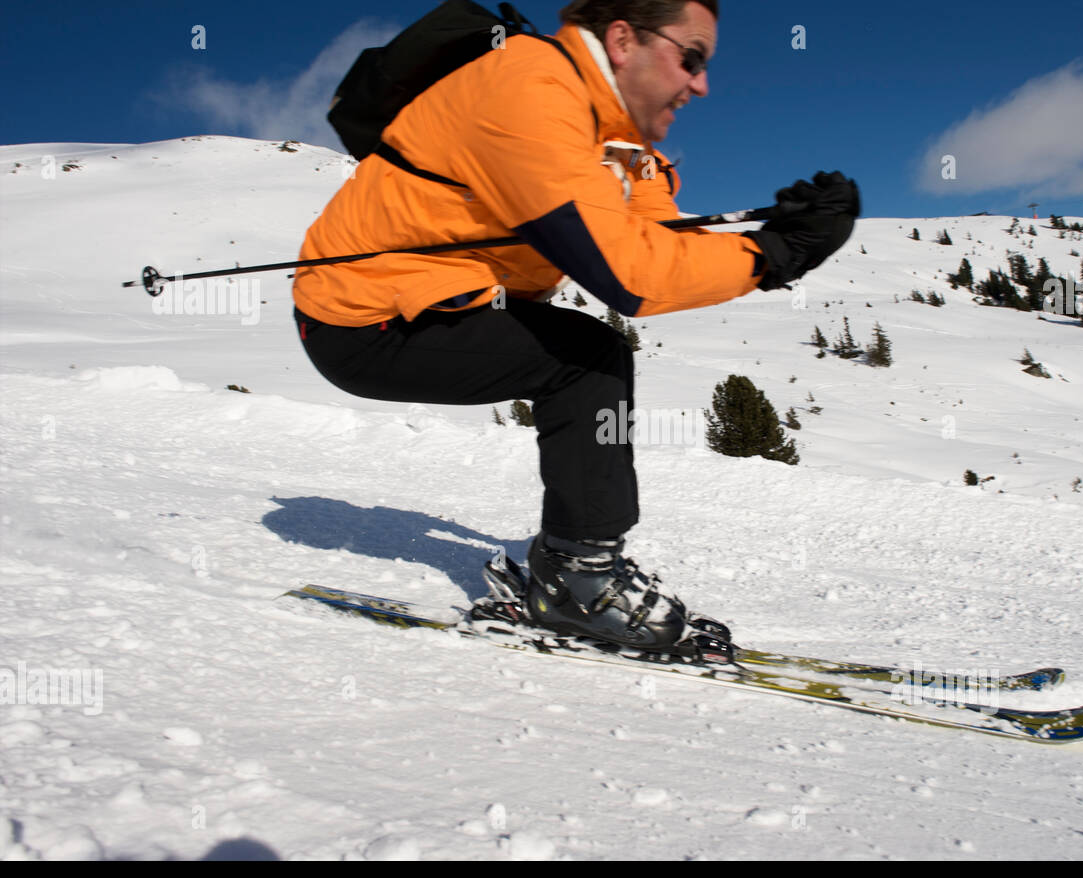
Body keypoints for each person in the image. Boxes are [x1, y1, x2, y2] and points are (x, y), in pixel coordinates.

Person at [293, 0, 858, 656]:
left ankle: (576, 568)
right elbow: (630, 278)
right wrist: (779, 256)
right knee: (586, 360)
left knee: (591, 354)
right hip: (360, 316)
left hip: (446, 299)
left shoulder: (621, 142)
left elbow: (652, 240)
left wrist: (780, 232)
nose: (701, 84)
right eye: (692, 57)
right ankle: (577, 581)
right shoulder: (530, 86)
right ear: (623, 39)